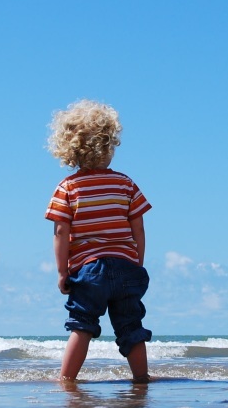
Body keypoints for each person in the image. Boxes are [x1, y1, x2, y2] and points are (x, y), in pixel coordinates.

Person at [45, 99, 152, 382]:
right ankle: (142, 380)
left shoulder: (68, 188)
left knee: (82, 326)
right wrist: (137, 261)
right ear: (109, 145)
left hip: (89, 270)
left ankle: (67, 381)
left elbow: (61, 232)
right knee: (131, 326)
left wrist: (62, 271)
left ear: (71, 149)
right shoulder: (125, 183)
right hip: (127, 267)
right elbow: (138, 227)